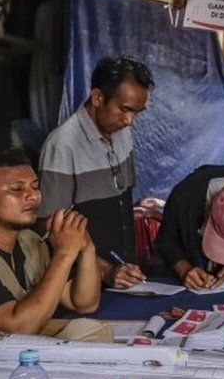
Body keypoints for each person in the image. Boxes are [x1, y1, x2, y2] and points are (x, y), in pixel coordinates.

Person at [38, 55, 153, 289]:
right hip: (82, 283)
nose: (130, 121)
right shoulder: (62, 145)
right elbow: (49, 226)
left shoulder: (123, 133)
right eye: (125, 109)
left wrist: (124, 267)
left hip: (123, 275)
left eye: (137, 112)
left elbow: (123, 204)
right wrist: (105, 270)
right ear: (98, 97)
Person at [0, 148, 101, 336]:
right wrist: (64, 253)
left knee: (94, 331)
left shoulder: (30, 241)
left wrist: (86, 248)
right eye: (17, 189)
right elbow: (17, 329)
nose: (34, 196)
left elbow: (84, 303)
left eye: (35, 187)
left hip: (15, 358)